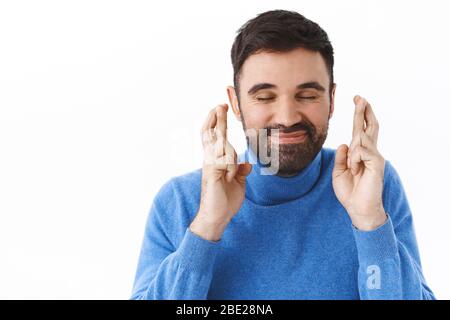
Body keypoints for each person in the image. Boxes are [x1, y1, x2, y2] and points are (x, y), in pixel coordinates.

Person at [131, 9, 435, 299]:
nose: (287, 117)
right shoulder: (180, 202)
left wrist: (370, 223)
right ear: (235, 103)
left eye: (307, 95)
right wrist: (207, 225)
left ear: (331, 100)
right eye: (264, 97)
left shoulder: (370, 186)